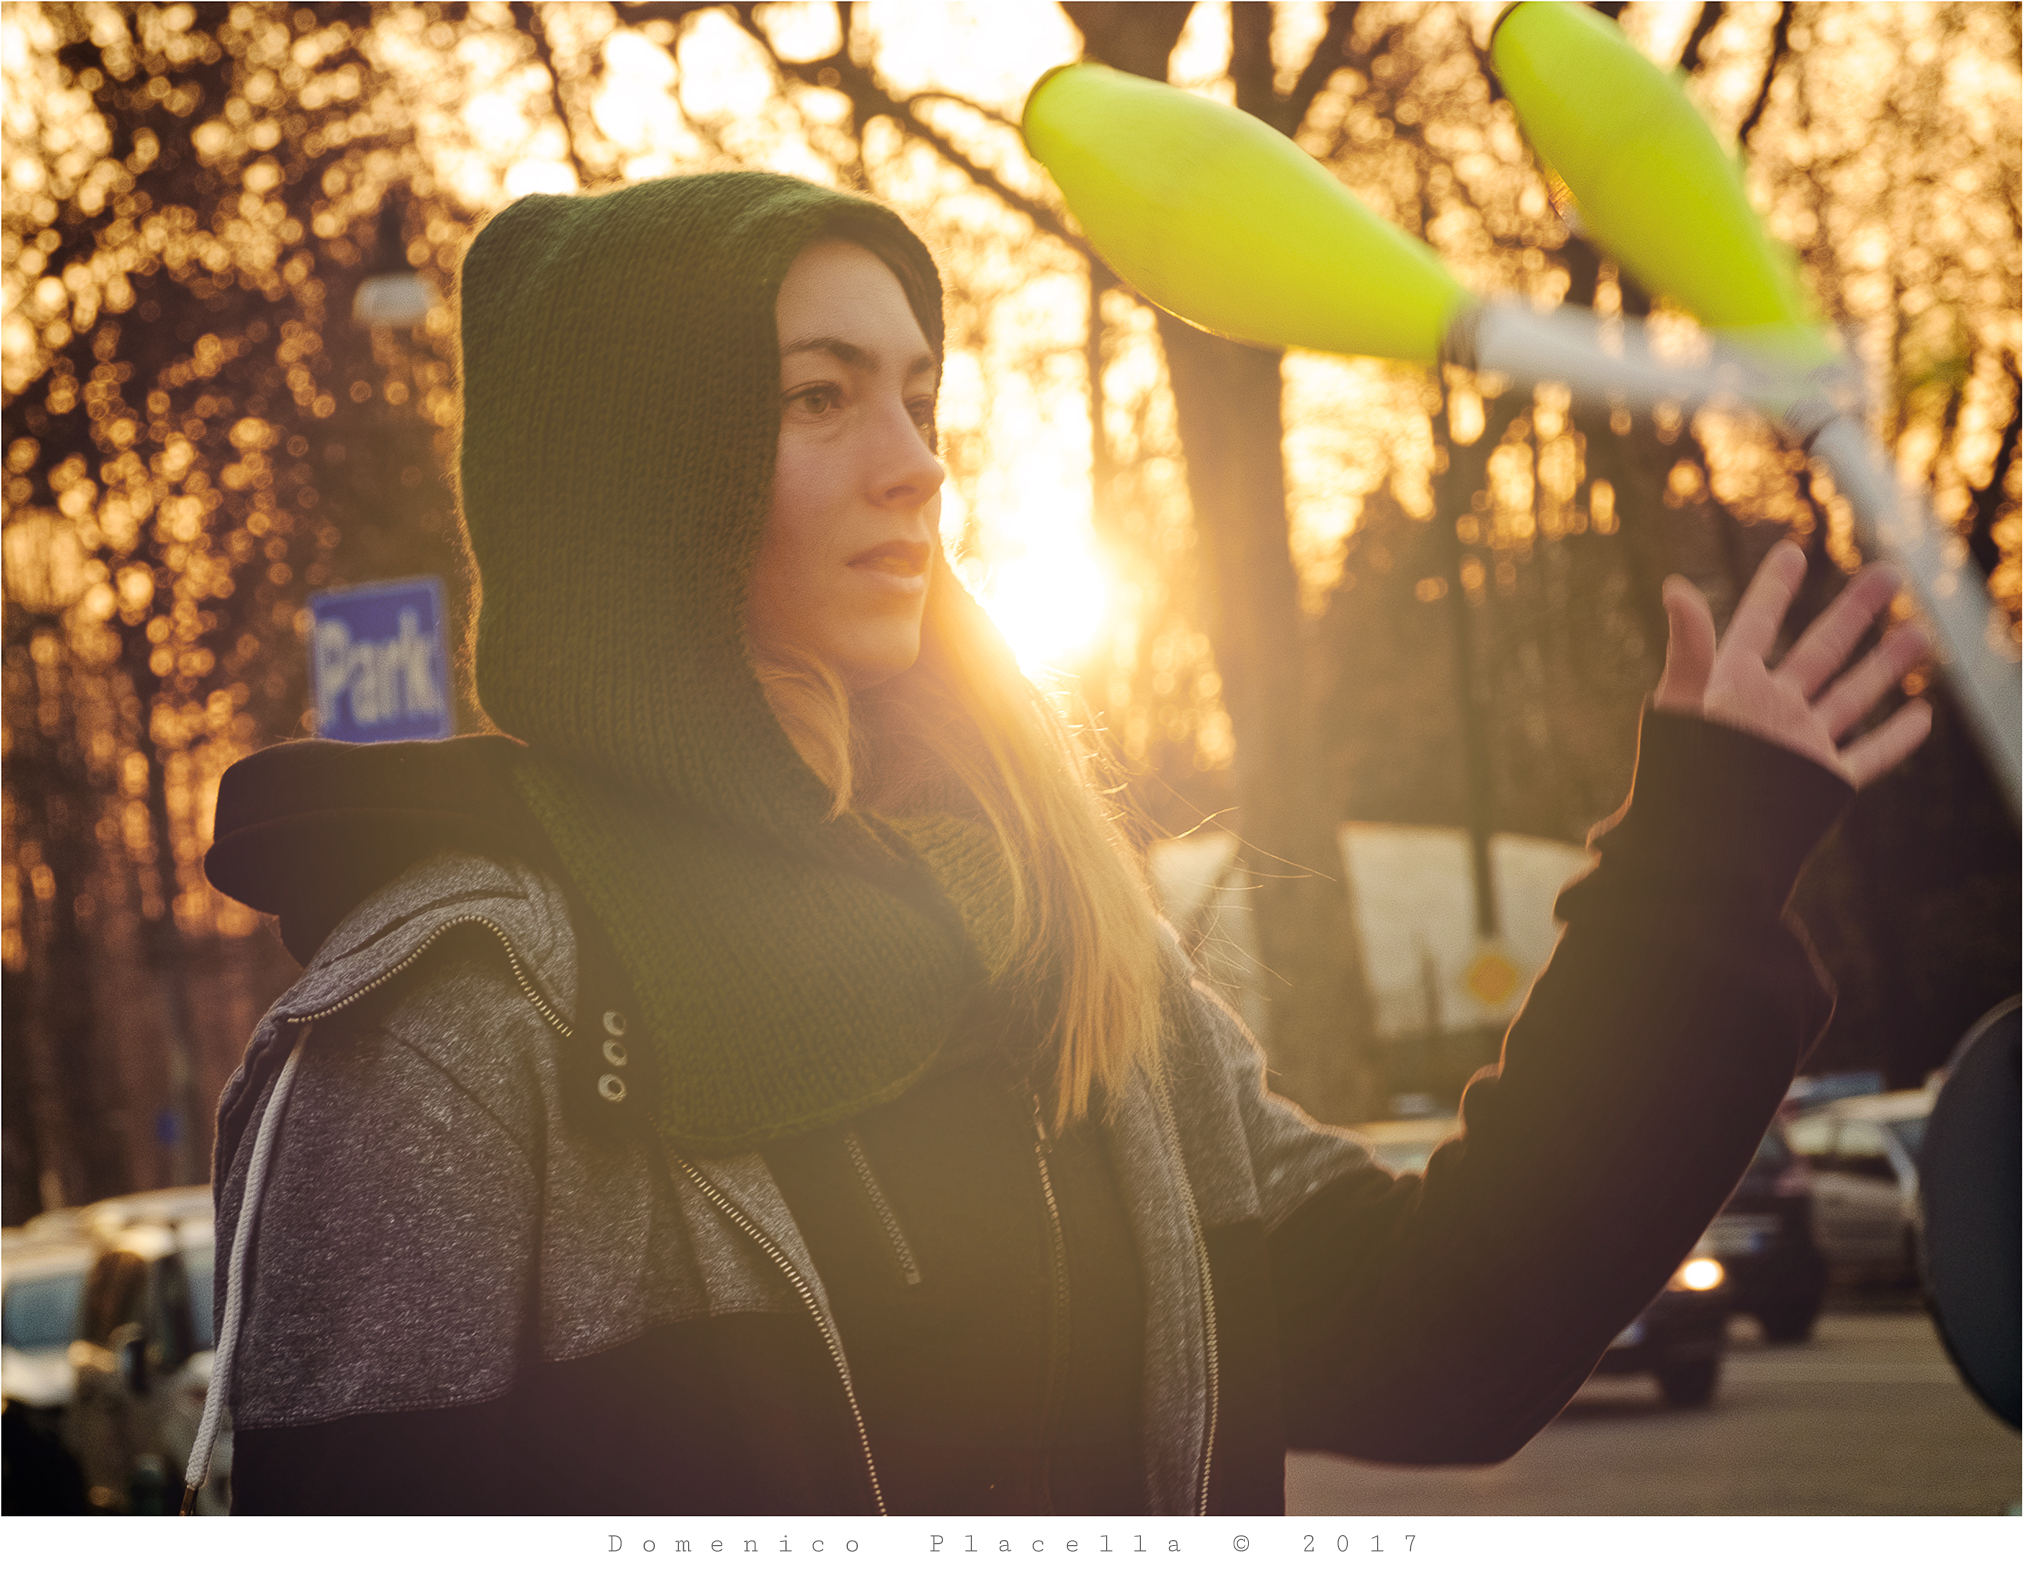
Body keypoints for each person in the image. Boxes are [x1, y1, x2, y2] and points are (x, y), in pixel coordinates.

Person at [193, 172, 1930, 1515]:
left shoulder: (1053, 943)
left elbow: (1446, 1336)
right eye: (819, 398)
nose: (916, 467)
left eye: (920, 396)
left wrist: (1699, 867)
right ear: (643, 479)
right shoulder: (460, 1012)